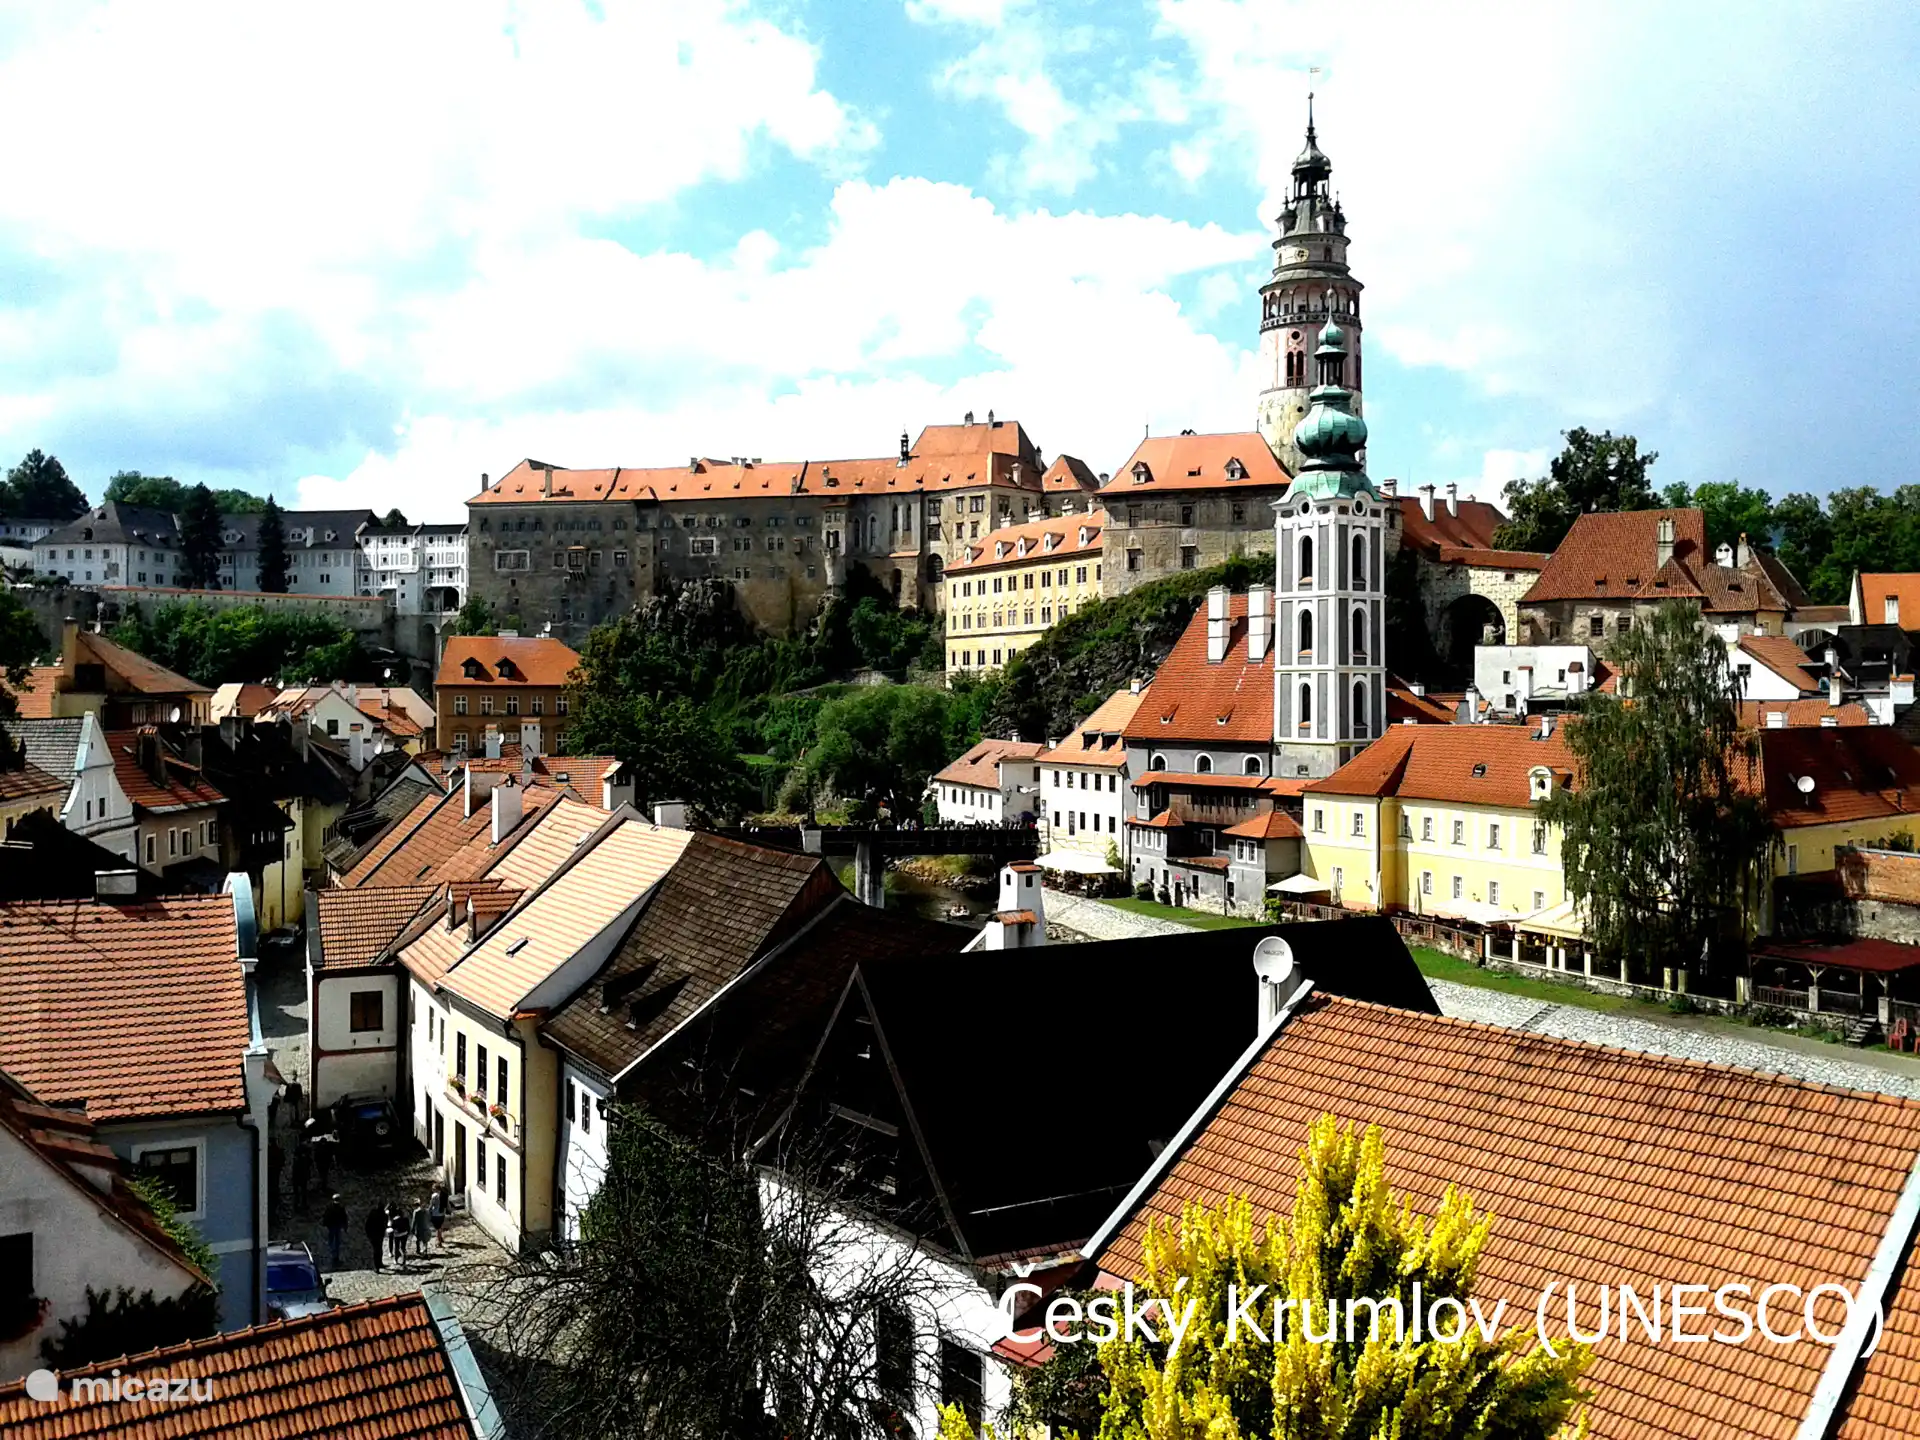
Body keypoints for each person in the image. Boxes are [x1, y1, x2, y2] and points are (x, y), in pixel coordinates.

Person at [322, 1194, 348, 1269]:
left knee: (332, 1241)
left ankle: (333, 1254)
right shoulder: (340, 1208)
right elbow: (344, 1218)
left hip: (332, 1227)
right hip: (337, 1226)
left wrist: (325, 1224)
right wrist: (345, 1226)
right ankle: (335, 1256)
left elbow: (326, 1216)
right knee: (337, 1242)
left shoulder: (330, 1207)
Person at [364, 1202, 388, 1272]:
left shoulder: (373, 1213)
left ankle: (377, 1266)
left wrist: (368, 1233)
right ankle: (379, 1264)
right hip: (379, 1235)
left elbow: (367, 1223)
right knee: (379, 1249)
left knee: (375, 1250)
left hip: (372, 1235)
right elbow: (385, 1226)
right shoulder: (384, 1215)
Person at [289, 1143, 310, 1213]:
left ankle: (297, 1204)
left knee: (297, 1191)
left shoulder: (297, 1159)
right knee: (303, 1190)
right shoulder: (305, 1159)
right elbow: (309, 1164)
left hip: (298, 1175)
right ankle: (302, 1204)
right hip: (302, 1175)